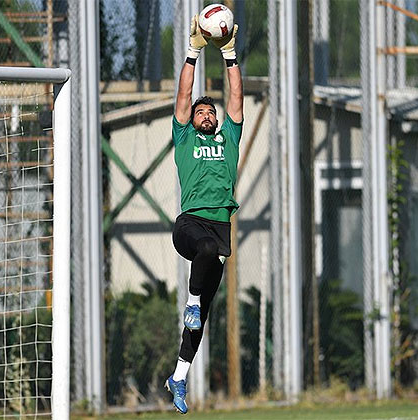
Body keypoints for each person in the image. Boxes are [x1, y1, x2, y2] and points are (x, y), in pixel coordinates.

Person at [164, 13, 243, 415]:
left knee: (202, 318)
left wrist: (229, 54)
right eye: (201, 112)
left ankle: (178, 377)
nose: (207, 115)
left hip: (219, 229)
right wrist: (194, 50)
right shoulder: (184, 136)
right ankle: (191, 302)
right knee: (207, 252)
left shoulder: (228, 137)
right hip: (190, 226)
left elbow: (235, 99)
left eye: (210, 112)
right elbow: (182, 97)